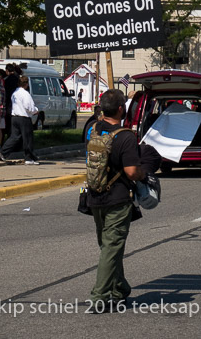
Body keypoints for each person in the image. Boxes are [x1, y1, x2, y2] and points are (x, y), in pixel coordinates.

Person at [86, 89, 144, 311]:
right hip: (118, 198)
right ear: (122, 109)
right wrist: (143, 174)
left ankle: (119, 289)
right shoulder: (126, 136)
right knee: (111, 247)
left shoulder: (92, 130)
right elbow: (131, 171)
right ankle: (99, 297)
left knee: (109, 246)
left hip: (95, 195)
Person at [0, 76, 40, 164]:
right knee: (27, 138)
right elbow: (29, 107)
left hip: (15, 117)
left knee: (14, 137)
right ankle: (29, 158)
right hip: (24, 117)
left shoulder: (15, 93)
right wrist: (35, 111)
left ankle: (3, 152)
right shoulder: (25, 94)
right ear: (26, 84)